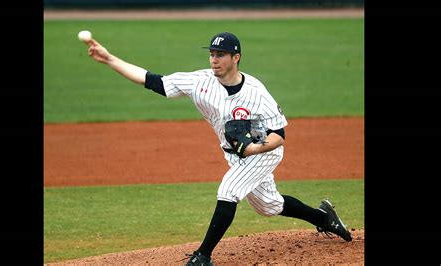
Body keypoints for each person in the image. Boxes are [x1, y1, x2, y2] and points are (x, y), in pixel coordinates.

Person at [85, 32, 352, 265]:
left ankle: (202, 256)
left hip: (264, 151)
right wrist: (110, 59)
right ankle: (323, 217)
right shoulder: (200, 81)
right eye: (212, 54)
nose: (214, 59)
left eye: (221, 54)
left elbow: (279, 136)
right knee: (269, 206)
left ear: (236, 57)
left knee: (229, 190)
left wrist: (253, 150)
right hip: (235, 155)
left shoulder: (257, 92)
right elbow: (153, 81)